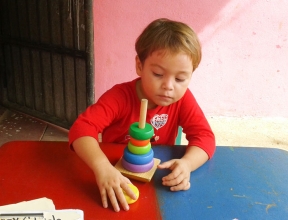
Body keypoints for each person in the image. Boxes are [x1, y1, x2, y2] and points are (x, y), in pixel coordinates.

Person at [69, 18, 216, 212]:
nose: (169, 86)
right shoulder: (119, 97)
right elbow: (81, 129)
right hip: (115, 172)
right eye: (158, 74)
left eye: (180, 78)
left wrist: (187, 164)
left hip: (157, 179)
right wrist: (102, 167)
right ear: (140, 65)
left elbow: (205, 137)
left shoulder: (183, 100)